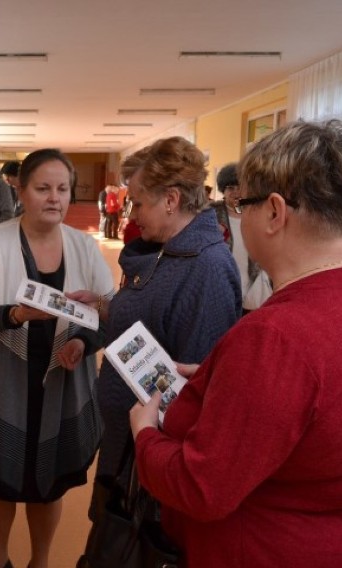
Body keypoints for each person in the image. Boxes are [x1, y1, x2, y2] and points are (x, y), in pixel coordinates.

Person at [130, 119, 342, 566]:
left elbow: (201, 487)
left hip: (266, 549)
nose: (238, 219)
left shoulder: (276, 337)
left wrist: (145, 434)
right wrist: (224, 380)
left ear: (275, 212)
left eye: (243, 206)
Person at [79, 136, 241, 553]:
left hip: (152, 470)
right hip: (127, 450)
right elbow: (151, 321)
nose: (132, 214)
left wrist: (158, 455)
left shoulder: (205, 268)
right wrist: (101, 306)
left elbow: (197, 390)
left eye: (138, 202)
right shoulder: (169, 255)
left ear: (171, 200)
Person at [0, 149, 114, 568]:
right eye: (43, 188)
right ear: (21, 191)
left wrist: (83, 342)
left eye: (62, 189)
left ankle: (40, 561)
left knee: (51, 482)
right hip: (1, 378)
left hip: (62, 380)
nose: (54, 198)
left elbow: (108, 309)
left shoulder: (83, 246)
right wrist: (17, 313)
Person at [211, 162, 272, 312]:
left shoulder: (257, 212)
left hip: (253, 290)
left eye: (240, 187)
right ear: (222, 191)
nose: (236, 192)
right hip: (220, 289)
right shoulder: (211, 214)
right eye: (230, 188)